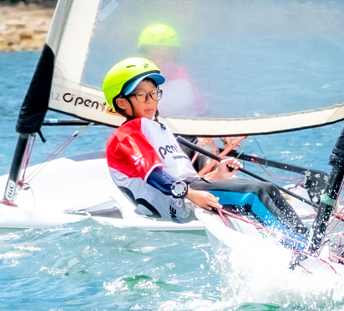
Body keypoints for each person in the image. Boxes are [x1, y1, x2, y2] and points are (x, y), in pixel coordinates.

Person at [100, 57, 305, 235]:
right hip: (176, 201)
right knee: (252, 196)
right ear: (122, 102)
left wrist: (217, 175)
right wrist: (190, 194)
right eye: (141, 95)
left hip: (186, 191)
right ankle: (299, 246)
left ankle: (309, 240)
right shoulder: (126, 135)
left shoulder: (157, 128)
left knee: (268, 188)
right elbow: (153, 175)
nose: (151, 100)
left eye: (154, 93)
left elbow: (184, 176)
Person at [137, 24, 206, 117]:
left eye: (165, 56)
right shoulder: (136, 75)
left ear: (174, 58)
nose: (159, 61)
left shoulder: (181, 85)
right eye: (154, 55)